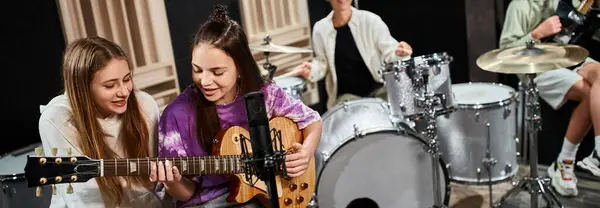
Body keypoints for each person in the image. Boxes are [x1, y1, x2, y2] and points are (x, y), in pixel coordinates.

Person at [150, 5, 322, 208]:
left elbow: (312, 120)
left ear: (240, 67)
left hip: (265, 194)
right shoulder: (176, 115)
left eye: (217, 72)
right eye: (197, 69)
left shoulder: (264, 93)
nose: (204, 81)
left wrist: (306, 152)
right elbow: (186, 195)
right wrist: (172, 181)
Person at [38, 36, 167, 207]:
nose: (124, 92)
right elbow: (84, 201)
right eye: (110, 85)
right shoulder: (57, 120)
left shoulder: (145, 105)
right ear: (83, 89)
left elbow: (158, 187)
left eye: (127, 79)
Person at [500, 0, 600, 197]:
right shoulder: (521, 5)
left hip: (570, 57)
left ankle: (597, 153)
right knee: (590, 91)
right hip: (538, 68)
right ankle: (565, 162)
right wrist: (536, 34)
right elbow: (504, 53)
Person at [295, 0, 413, 109]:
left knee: (399, 102)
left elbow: (390, 51)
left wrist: (400, 53)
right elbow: (321, 63)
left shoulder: (370, 20)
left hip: (378, 90)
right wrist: (311, 70)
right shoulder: (320, 29)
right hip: (346, 98)